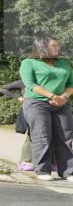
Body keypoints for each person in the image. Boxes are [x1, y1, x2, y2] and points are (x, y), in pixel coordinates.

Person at [19, 36, 73, 182]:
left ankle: (68, 172)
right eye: (54, 46)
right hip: (37, 104)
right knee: (42, 136)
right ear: (42, 47)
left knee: (66, 137)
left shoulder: (63, 63)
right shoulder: (28, 63)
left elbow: (71, 84)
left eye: (57, 45)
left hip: (62, 104)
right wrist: (52, 96)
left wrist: (64, 97)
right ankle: (42, 170)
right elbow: (30, 84)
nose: (57, 48)